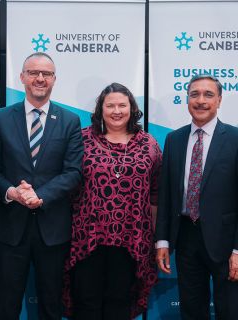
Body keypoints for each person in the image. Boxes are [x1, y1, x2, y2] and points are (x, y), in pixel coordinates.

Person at [0, 52, 83, 320]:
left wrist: (41, 195)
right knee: (7, 304)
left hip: (52, 230)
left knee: (51, 305)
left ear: (54, 79)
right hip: (11, 230)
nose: (40, 79)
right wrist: (12, 192)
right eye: (33, 73)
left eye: (46, 74)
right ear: (23, 77)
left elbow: (73, 172)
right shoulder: (2, 118)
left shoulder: (70, 121)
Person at [63, 82, 162, 320]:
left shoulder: (148, 144)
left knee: (120, 302)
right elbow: (66, 185)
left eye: (122, 105)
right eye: (110, 106)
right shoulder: (82, 140)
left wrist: (156, 238)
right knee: (86, 302)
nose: (116, 111)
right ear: (101, 110)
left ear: (132, 109)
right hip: (87, 238)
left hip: (132, 238)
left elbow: (156, 194)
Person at [156, 74, 238, 319]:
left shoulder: (235, 139)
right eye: (195, 94)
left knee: (230, 311)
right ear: (187, 99)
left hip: (225, 242)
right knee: (191, 311)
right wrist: (162, 241)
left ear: (220, 100)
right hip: (186, 238)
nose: (201, 100)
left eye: (208, 94)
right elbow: (167, 193)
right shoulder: (174, 139)